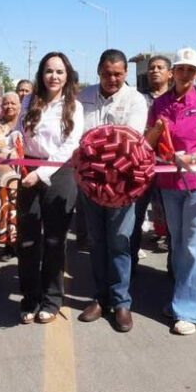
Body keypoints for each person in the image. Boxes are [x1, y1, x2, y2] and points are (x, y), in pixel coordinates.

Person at [146, 47, 196, 335]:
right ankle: (182, 301)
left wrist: (192, 157)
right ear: (173, 72)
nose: (185, 73)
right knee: (178, 244)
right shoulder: (160, 104)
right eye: (181, 68)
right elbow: (149, 141)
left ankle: (192, 310)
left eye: (190, 70)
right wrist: (157, 130)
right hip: (170, 183)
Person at [76, 49, 149, 333]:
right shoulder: (84, 96)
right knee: (96, 240)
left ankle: (122, 302)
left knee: (119, 241)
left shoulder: (135, 100)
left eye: (118, 74)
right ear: (98, 71)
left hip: (123, 182)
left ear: (126, 73)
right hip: (90, 181)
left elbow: (128, 141)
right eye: (107, 73)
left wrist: (94, 144)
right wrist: (95, 146)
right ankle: (100, 297)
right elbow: (77, 134)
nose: (112, 79)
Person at [16, 52, 83, 323]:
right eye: (48, 71)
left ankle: (52, 299)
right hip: (27, 168)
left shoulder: (73, 106)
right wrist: (9, 141)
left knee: (55, 240)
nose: (53, 76)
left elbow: (70, 145)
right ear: (41, 75)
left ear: (67, 76)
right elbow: (18, 131)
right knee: (28, 239)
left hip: (59, 172)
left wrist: (42, 173)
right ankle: (30, 297)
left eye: (59, 71)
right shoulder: (30, 100)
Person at [134, 55, 173, 254]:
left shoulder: (176, 99)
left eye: (160, 67)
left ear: (170, 73)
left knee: (171, 213)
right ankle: (132, 257)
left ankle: (173, 265)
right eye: (151, 68)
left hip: (169, 163)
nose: (155, 71)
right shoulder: (138, 99)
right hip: (142, 163)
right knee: (137, 213)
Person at [0, 91, 24, 255]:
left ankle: (19, 245)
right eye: (5, 103)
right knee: (4, 215)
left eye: (13, 103)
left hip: (23, 179)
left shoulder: (26, 123)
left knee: (19, 214)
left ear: (20, 106)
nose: (9, 106)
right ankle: (8, 245)